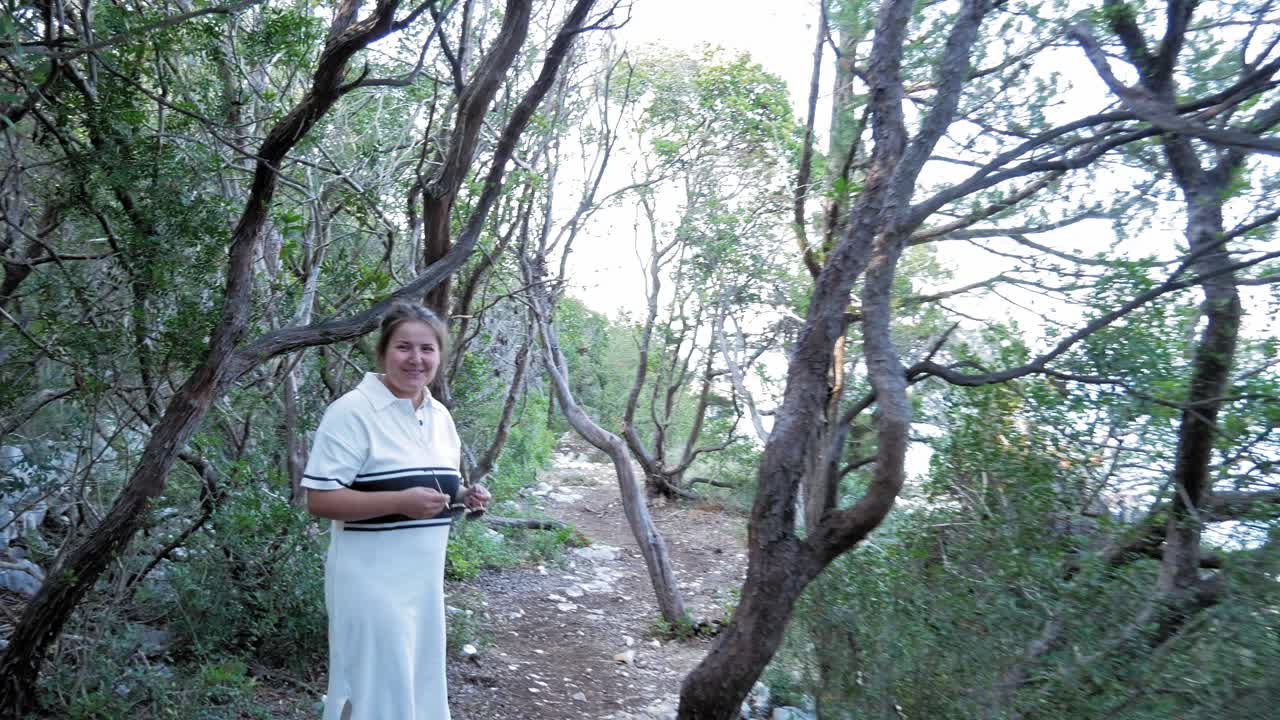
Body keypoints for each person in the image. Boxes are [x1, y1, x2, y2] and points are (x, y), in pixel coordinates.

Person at [302, 301, 490, 720]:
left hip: (422, 584)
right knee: (369, 687)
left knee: (415, 686)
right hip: (369, 584)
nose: (416, 359)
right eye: (404, 347)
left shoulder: (439, 416)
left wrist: (463, 495)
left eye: (427, 349)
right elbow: (320, 499)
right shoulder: (352, 412)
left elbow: (436, 485)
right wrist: (400, 503)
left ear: (440, 356)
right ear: (383, 351)